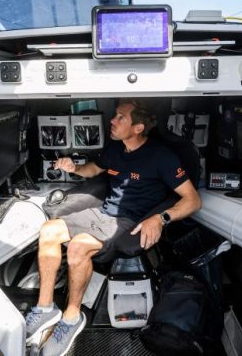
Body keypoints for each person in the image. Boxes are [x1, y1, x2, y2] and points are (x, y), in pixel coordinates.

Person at [26, 99, 202, 356]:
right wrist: (74, 168)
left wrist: (160, 219)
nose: (112, 120)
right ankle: (44, 309)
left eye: (120, 117)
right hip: (104, 213)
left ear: (139, 127)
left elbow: (193, 200)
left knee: (77, 247)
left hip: (130, 222)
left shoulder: (161, 156)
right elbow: (93, 169)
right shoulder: (115, 148)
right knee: (48, 231)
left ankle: (72, 318)